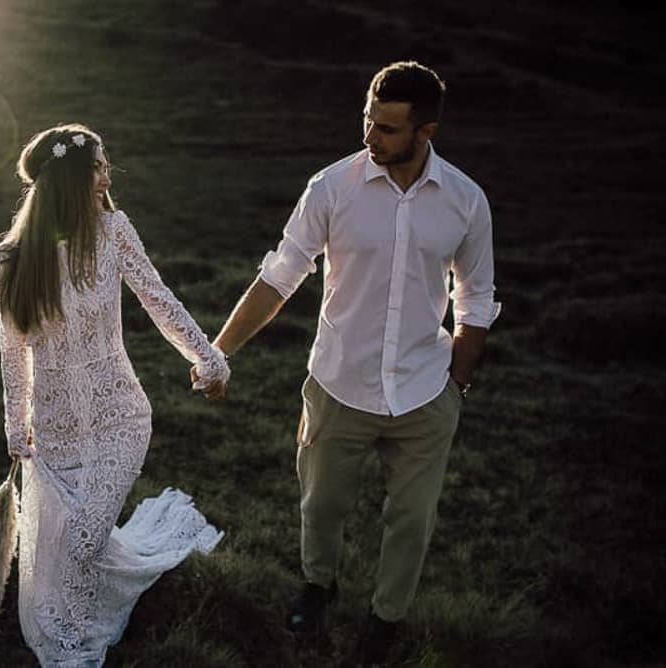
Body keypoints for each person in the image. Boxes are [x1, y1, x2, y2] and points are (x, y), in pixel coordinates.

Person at [194, 61, 500, 665]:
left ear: (426, 132)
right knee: (321, 506)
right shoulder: (331, 187)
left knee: (411, 522)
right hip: (337, 384)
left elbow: (476, 300)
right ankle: (318, 584)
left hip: (424, 392)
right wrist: (217, 351)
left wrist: (456, 384)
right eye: (367, 119)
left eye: (386, 128)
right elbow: (279, 276)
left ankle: (386, 619)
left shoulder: (466, 201)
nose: (370, 135)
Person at [0, 123, 230, 667]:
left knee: (83, 545)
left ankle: (82, 645)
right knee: (59, 564)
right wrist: (15, 425)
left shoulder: (115, 231)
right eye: (98, 165)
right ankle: (73, 629)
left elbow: (158, 300)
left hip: (120, 416)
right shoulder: (5, 262)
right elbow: (13, 351)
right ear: (74, 178)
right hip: (51, 433)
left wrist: (209, 359)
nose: (106, 174)